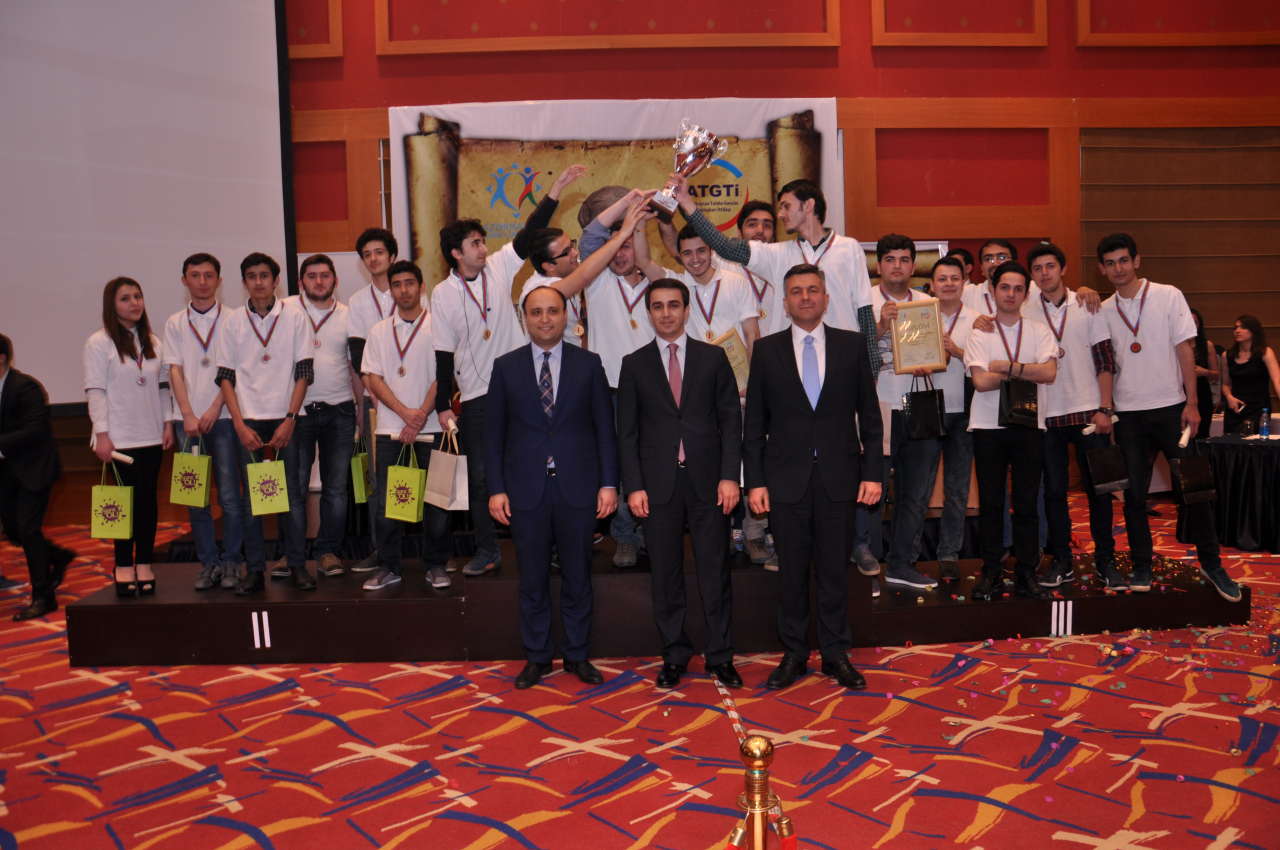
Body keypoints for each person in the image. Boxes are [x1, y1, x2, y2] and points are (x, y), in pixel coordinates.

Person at [431, 184, 639, 578]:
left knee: (543, 464)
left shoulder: (498, 267)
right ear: (456, 253)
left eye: (482, 241)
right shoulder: (444, 294)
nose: (483, 248)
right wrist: (443, 403)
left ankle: (560, 541)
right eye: (474, 243)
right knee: (483, 476)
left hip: (521, 386)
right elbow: (442, 353)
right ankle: (488, 549)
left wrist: (557, 191)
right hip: (476, 393)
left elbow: (529, 232)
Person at [744, 264, 883, 691]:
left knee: (834, 572)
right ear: (785, 303)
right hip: (786, 481)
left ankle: (836, 653)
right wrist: (756, 481)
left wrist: (873, 473)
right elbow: (755, 424)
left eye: (812, 290)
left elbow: (870, 416)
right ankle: (794, 654)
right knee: (791, 573)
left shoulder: (851, 345)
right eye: (796, 292)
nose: (805, 297)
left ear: (825, 298)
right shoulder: (766, 350)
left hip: (840, 478)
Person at [1096, 233, 1241, 600]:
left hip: (1172, 409)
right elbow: (1106, 364)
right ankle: (1141, 564)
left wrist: (1191, 403)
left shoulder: (1168, 295)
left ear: (1137, 260)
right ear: (1102, 269)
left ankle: (1212, 564)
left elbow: (1184, 350)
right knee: (1133, 497)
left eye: (1123, 260)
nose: (1118, 268)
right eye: (1110, 263)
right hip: (1128, 416)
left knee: (1195, 490)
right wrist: (1108, 409)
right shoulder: (1104, 309)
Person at [486, 286, 619, 689]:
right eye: (536, 312)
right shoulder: (505, 367)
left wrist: (609, 483)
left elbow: (605, 429)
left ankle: (577, 655)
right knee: (532, 579)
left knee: (578, 577)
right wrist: (496, 488)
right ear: (524, 318)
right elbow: (493, 435)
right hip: (525, 490)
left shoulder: (589, 364)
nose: (545, 319)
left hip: (578, 488)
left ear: (566, 315)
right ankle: (538, 657)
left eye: (552, 311)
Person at [617, 279, 743, 690]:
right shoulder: (634, 364)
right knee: (665, 575)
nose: (666, 313)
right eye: (658, 306)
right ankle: (674, 654)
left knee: (715, 572)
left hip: (710, 484)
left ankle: (721, 655)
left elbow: (730, 422)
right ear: (649, 313)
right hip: (657, 487)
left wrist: (730, 476)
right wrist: (634, 486)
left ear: (687, 310)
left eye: (674, 305)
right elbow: (627, 434)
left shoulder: (713, 358)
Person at [215, 253, 315, 595]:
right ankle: (255, 570)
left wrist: (290, 419)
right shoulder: (232, 322)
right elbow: (225, 377)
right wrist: (239, 425)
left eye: (264, 276)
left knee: (293, 498)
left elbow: (304, 372)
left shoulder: (296, 317)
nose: (258, 282)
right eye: (251, 276)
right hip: (249, 421)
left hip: (287, 419)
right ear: (244, 282)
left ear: (276, 281)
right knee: (253, 501)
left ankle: (297, 565)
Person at [1023, 243, 1119, 589]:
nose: (1044, 273)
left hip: (1090, 411)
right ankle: (1062, 560)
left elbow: (1105, 359)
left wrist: (1105, 408)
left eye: (1050, 266)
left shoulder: (1087, 304)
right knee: (1054, 494)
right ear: (1032, 275)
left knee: (1101, 491)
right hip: (1046, 416)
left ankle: (1106, 560)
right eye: (1038, 268)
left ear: (1063, 269)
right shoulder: (1025, 309)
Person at [576, 189, 660, 567]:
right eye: (615, 248)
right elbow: (590, 238)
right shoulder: (596, 282)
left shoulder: (657, 285)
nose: (620, 255)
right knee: (619, 465)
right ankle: (624, 535)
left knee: (652, 461)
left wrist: (636, 227)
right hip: (608, 389)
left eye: (627, 246)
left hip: (653, 390)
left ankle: (651, 532)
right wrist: (628, 206)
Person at [964, 261, 1056, 601]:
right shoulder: (980, 332)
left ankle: (1027, 571)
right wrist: (1024, 370)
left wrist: (1006, 367)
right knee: (991, 503)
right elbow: (980, 381)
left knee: (1027, 503)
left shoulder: (1039, 330)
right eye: (1005, 287)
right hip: (988, 427)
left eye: (1018, 289)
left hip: (1029, 425)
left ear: (1026, 294)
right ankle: (991, 570)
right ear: (993, 291)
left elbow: (1049, 373)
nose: (1011, 294)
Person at [360, 260, 453, 591]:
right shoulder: (378, 331)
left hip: (435, 429)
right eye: (397, 284)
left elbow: (443, 375)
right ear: (391, 290)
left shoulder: (439, 326)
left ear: (421, 286)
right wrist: (406, 415)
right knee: (389, 505)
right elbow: (373, 377)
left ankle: (436, 565)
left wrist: (421, 414)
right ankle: (389, 566)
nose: (404, 290)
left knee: (437, 502)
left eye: (410, 283)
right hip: (391, 430)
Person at [84, 277, 175, 596]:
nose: (134, 303)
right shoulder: (99, 342)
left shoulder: (153, 342)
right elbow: (95, 390)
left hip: (151, 435)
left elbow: (163, 387)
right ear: (112, 304)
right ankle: (123, 564)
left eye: (138, 296)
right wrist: (102, 434)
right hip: (118, 440)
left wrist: (167, 423)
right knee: (124, 506)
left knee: (148, 503)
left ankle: (145, 562)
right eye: (125, 298)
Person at [164, 253, 247, 590]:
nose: (202, 282)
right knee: (194, 497)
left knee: (229, 496)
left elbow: (235, 370)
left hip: (224, 419)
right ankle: (208, 563)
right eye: (195, 275)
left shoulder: (234, 319)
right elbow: (174, 370)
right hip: (188, 424)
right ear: (184, 280)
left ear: (219, 281)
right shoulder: (174, 323)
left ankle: (231, 562)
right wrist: (187, 414)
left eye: (209, 275)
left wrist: (215, 408)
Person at [867, 234, 936, 588]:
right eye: (890, 259)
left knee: (916, 491)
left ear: (913, 265)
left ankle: (902, 564)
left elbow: (935, 351)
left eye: (904, 259)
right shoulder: (863, 301)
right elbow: (851, 355)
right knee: (872, 492)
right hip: (876, 405)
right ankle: (868, 566)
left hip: (916, 404)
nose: (897, 266)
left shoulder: (926, 303)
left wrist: (930, 360)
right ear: (879, 265)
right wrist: (880, 326)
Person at [282, 254, 358, 579]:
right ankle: (293, 555)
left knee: (336, 489)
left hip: (340, 410)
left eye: (325, 275)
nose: (318, 281)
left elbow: (355, 368)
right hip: (295, 413)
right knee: (294, 488)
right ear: (301, 281)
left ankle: (328, 551)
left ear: (335, 280)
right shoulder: (285, 310)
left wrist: (361, 411)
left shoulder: (349, 315)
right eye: (311, 276)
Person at [0, 334, 76, 620]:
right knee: (14, 531)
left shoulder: (26, 388)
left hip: (35, 469)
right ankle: (57, 556)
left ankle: (43, 597)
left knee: (28, 530)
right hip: (7, 472)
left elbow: (35, 430)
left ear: (1, 359)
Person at [345, 227, 399, 575]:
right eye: (367, 255)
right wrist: (376, 396)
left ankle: (431, 554)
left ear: (392, 255)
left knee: (418, 477)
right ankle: (382, 551)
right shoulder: (358, 302)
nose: (374, 259)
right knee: (378, 482)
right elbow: (358, 355)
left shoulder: (412, 290)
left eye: (379, 252)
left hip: (415, 404)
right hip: (376, 402)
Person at [926, 257, 978, 582]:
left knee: (957, 489)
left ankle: (949, 553)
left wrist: (957, 351)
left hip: (964, 411)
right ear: (932, 284)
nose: (948, 284)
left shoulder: (978, 320)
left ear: (963, 282)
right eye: (942, 279)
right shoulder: (920, 315)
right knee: (920, 487)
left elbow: (985, 363)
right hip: (927, 406)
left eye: (954, 278)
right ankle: (911, 553)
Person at [1222, 314, 1280, 434]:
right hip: (1235, 407)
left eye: (1243, 327)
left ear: (1253, 331)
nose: (1237, 331)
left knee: (1255, 443)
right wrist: (1229, 397)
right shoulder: (1227, 355)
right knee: (1231, 442)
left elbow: (1277, 380)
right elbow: (1225, 384)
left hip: (1258, 409)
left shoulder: (1265, 352)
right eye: (1236, 328)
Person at [1189, 308, 1219, 439]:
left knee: (1202, 433)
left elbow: (1216, 375)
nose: (1191, 325)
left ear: (1199, 325)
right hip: (1179, 394)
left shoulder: (1207, 345)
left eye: (1195, 322)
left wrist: (1204, 372)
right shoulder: (1175, 345)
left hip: (1202, 393)